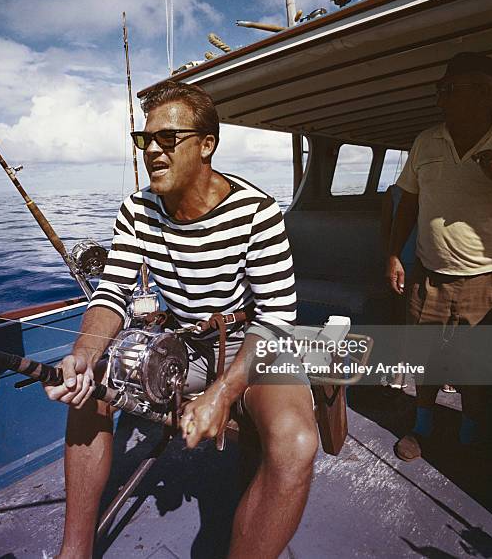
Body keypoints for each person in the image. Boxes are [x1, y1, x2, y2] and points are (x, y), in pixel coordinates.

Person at [44, 81, 317, 558]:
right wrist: (83, 355)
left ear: (207, 144)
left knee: (296, 441)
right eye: (145, 139)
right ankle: (75, 551)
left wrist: (221, 393)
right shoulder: (136, 209)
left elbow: (275, 319)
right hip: (181, 339)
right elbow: (112, 294)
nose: (152, 150)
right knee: (89, 390)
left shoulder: (258, 212)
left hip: (253, 340)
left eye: (167, 139)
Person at [386, 52, 492, 461]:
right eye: (441, 90)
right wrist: (393, 254)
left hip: (485, 279)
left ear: (487, 94)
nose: (442, 100)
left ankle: (471, 429)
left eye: (453, 90)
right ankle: (422, 425)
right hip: (427, 273)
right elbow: (408, 203)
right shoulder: (426, 141)